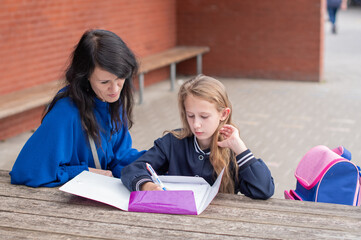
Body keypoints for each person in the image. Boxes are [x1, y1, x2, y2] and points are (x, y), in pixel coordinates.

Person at [10, 29, 145, 187]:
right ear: (86, 76)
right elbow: (26, 171)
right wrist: (84, 172)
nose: (115, 89)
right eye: (104, 82)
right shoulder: (66, 112)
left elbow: (120, 157)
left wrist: (161, 157)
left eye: (120, 78)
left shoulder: (112, 99)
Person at [121, 75, 274, 199]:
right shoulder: (173, 142)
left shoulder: (232, 150)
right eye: (191, 116)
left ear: (223, 114)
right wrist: (147, 186)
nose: (196, 125)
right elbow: (132, 169)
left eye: (204, 116)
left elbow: (264, 190)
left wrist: (241, 149)